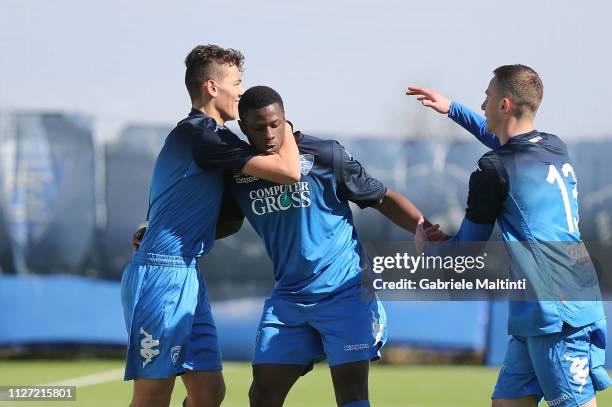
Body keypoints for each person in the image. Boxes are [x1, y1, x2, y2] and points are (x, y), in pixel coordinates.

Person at [227, 85, 443, 407]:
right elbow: (220, 221)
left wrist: (419, 223)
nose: (270, 134)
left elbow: (381, 196)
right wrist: (154, 230)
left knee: (352, 396)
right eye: (259, 128)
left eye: (276, 124)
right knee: (262, 394)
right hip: (290, 298)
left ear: (286, 120)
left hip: (345, 291)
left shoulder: (325, 155)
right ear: (243, 128)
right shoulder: (238, 172)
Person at [407, 65, 610, 407]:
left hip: (556, 311)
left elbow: (464, 252)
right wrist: (453, 109)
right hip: (547, 306)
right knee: (507, 404)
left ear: (504, 105)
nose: (482, 104)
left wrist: (426, 249)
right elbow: (507, 147)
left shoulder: (492, 170)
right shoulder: (553, 146)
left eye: (486, 98)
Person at [121, 45, 301, 407]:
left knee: (209, 392)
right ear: (212, 87)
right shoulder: (203, 136)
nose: (241, 91)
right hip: (161, 276)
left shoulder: (216, 141)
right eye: (236, 82)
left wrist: (149, 225)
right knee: (153, 396)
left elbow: (197, 207)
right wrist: (288, 128)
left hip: (186, 274)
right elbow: (289, 171)